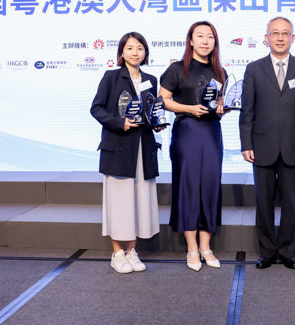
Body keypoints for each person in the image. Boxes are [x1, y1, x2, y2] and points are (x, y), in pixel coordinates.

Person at [239, 16, 295, 269]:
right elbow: (247, 111)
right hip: (261, 146)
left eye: (285, 33)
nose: (280, 38)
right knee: (263, 203)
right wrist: (246, 144)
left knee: (290, 204)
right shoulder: (254, 68)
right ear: (266, 38)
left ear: (293, 38)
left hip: (294, 146)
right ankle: (267, 251)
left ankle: (287, 252)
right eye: (275, 33)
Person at [90, 32, 163, 274]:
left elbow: (151, 112)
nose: (135, 52)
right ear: (121, 52)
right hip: (118, 148)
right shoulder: (111, 77)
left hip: (143, 149)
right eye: (130, 48)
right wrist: (120, 122)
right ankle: (117, 253)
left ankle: (132, 252)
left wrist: (157, 123)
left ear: (146, 52)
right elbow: (96, 108)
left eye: (140, 48)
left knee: (140, 201)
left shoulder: (151, 79)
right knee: (119, 202)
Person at [158, 21, 228, 271]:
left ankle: (206, 247)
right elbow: (162, 100)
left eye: (210, 36)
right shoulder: (177, 69)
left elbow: (218, 103)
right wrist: (188, 108)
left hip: (211, 133)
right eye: (200, 36)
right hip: (187, 131)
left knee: (210, 186)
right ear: (190, 40)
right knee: (188, 187)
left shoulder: (220, 71)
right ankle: (191, 248)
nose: (205, 41)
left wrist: (222, 108)